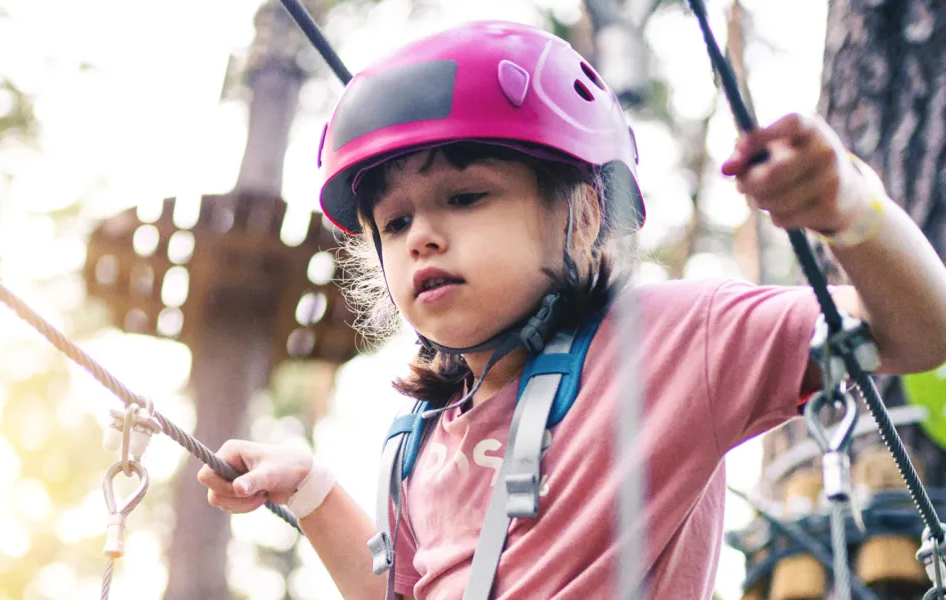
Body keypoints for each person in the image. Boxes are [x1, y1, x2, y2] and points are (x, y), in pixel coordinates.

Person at [194, 20, 946, 600]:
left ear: (583, 214)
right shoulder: (420, 437)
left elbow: (920, 331)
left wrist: (850, 211)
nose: (421, 235)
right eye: (394, 223)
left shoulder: (672, 342)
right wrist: (311, 491)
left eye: (465, 196)